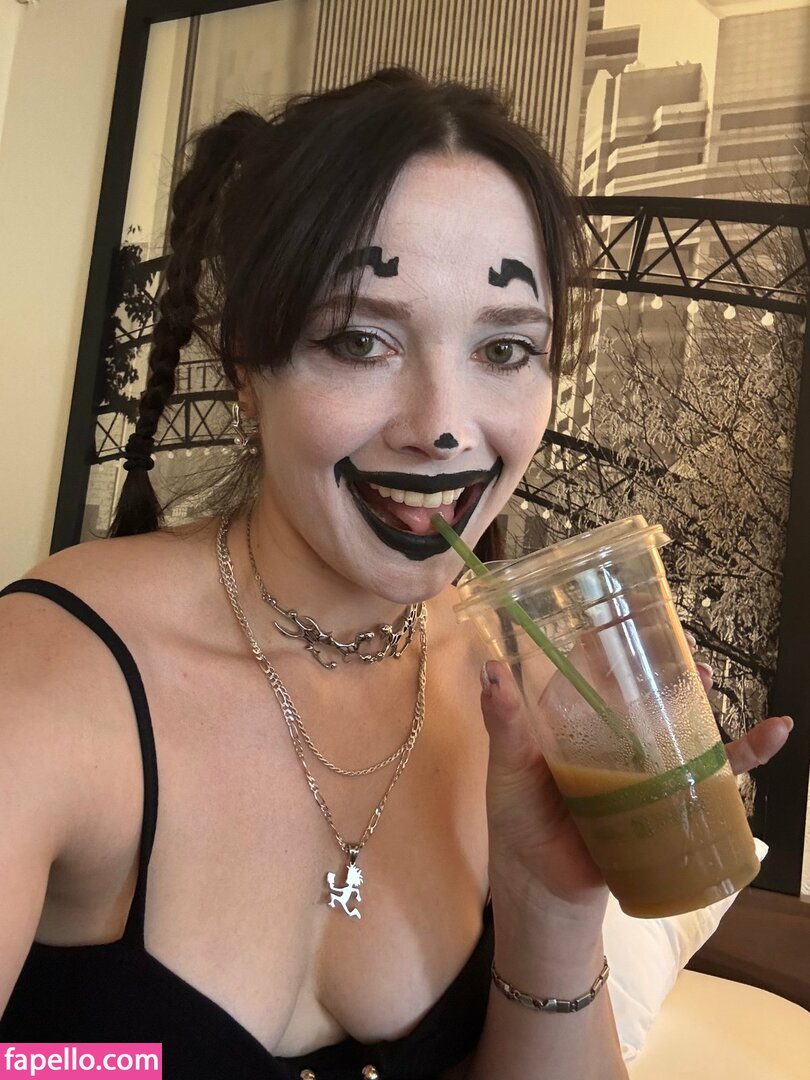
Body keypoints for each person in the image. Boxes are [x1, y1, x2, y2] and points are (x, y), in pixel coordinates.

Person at [0, 69, 791, 1080]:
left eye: (505, 348)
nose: (444, 427)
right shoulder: (47, 681)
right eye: (361, 339)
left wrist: (550, 910)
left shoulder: (519, 697)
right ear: (245, 366)